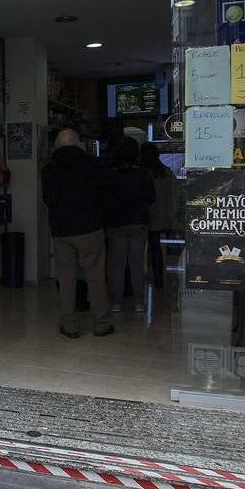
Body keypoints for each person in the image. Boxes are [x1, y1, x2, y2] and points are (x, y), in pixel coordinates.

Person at [41, 128, 113, 339]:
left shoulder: (48, 170)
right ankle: (102, 324)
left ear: (57, 146)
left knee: (66, 278)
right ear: (78, 144)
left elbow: (48, 200)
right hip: (90, 228)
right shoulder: (94, 164)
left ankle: (70, 325)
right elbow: (106, 193)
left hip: (62, 230)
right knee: (96, 277)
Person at [103, 137, 155, 313]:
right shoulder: (143, 174)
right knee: (137, 264)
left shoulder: (110, 175)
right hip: (138, 222)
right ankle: (139, 302)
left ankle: (116, 302)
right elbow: (151, 198)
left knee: (116, 265)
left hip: (116, 224)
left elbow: (105, 200)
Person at [141, 142, 178, 288]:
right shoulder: (166, 172)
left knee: (139, 249)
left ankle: (140, 278)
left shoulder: (142, 172)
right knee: (157, 249)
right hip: (161, 215)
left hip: (143, 216)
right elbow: (174, 193)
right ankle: (159, 279)